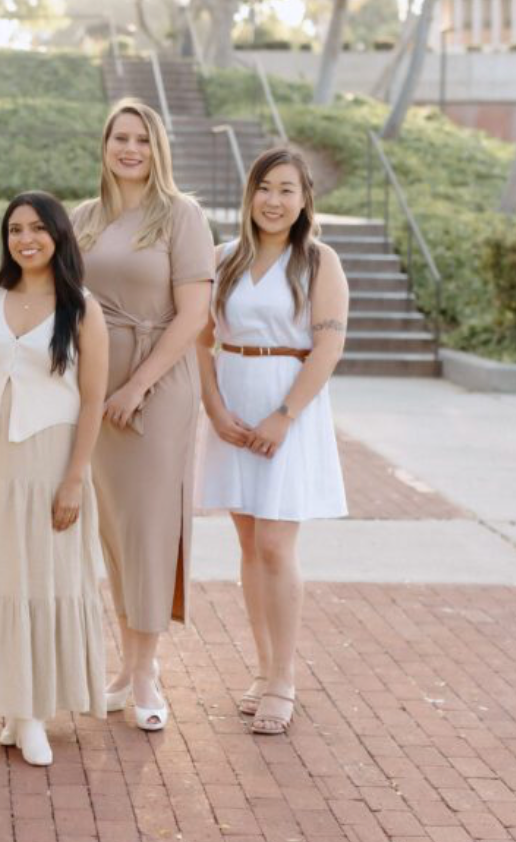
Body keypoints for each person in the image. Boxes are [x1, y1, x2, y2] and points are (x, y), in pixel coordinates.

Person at [196, 147, 349, 736]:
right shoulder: (223, 258)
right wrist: (214, 407)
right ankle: (261, 671)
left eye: (287, 189)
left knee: (276, 547)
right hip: (232, 404)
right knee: (248, 543)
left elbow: (328, 347)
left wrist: (284, 415)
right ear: (249, 193)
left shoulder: (318, 262)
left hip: (289, 406)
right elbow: (199, 337)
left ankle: (284, 678)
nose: (274, 200)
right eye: (265, 187)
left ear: (305, 199)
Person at [73, 99, 214, 732]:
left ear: (158, 149)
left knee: (150, 528)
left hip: (156, 387)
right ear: (104, 145)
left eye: (141, 139)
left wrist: (137, 388)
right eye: (118, 138)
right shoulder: (83, 218)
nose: (129, 149)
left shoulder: (181, 217)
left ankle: (147, 669)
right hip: (92, 385)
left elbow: (193, 317)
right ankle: (125, 669)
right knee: (112, 529)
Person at [0, 192, 108, 767]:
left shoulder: (82, 308)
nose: (26, 239)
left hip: (50, 461)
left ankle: (33, 713)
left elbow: (93, 399)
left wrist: (75, 479)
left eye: (38, 229)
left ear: (59, 235)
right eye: (15, 229)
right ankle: (13, 707)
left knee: (41, 579)